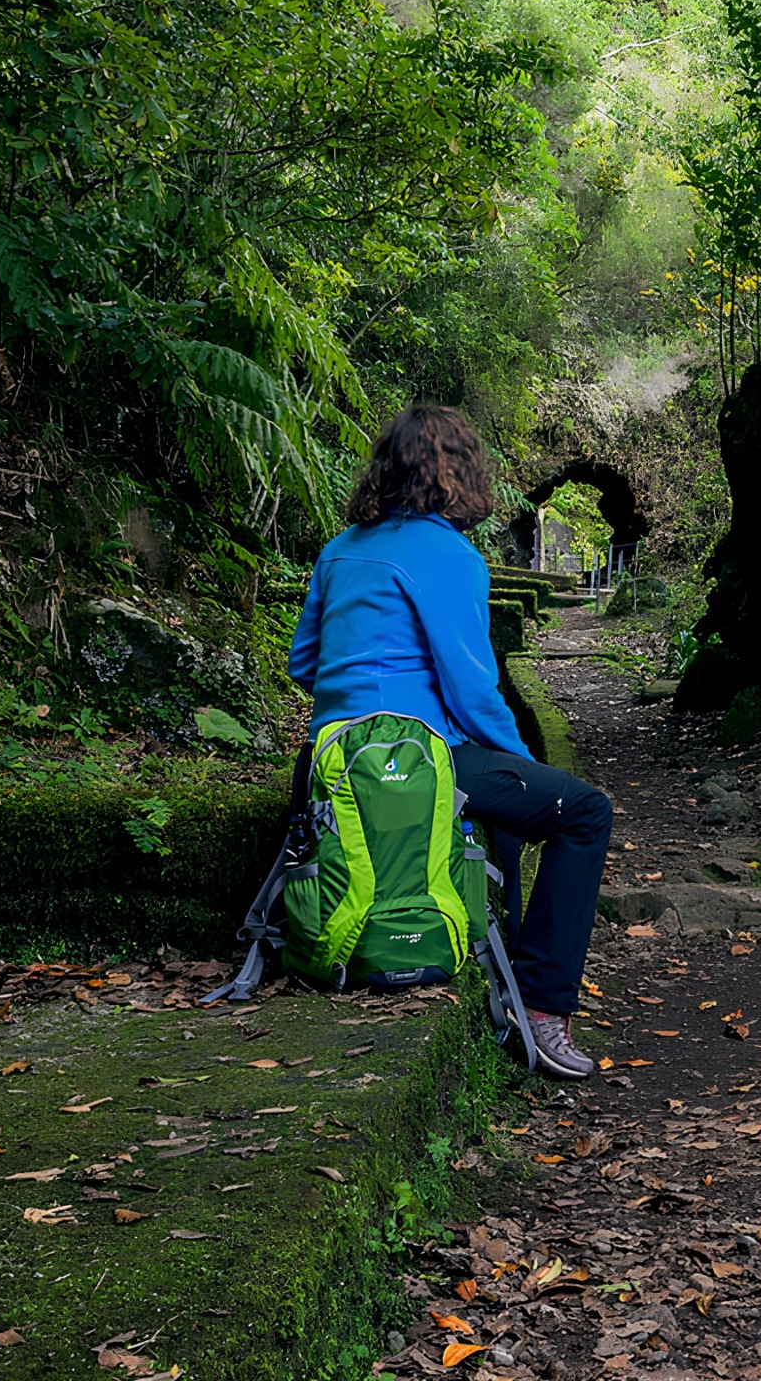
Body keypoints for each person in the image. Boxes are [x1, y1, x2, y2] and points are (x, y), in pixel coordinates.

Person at [289, 405, 610, 1079]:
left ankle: (513, 971)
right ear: (458, 472)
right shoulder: (450, 555)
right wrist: (521, 762)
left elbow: (303, 666)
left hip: (332, 758)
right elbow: (473, 692)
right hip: (416, 760)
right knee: (581, 812)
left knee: (511, 808)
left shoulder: (340, 548)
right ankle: (545, 1008)